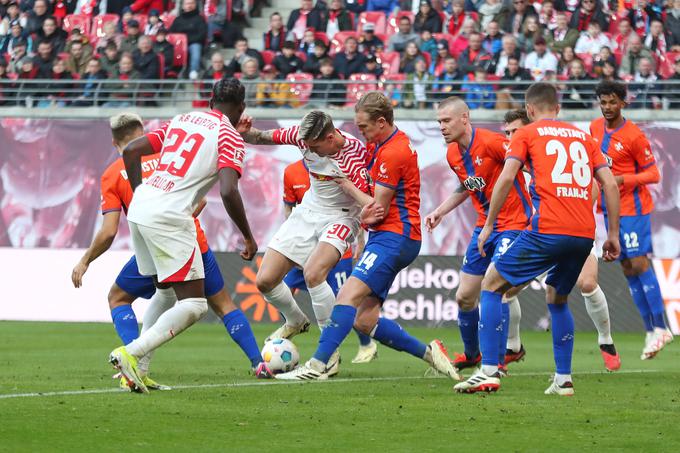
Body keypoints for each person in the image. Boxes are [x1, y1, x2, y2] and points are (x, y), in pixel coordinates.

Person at [73, 112, 270, 392]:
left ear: (114, 141)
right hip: (190, 239)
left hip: (159, 242)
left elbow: (108, 231)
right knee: (223, 304)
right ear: (143, 130)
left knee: (120, 297)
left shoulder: (112, 174)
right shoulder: (167, 155)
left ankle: (133, 358)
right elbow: (200, 200)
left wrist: (85, 260)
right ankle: (258, 362)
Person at [275, 92, 460, 381]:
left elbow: (377, 208)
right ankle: (430, 353)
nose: (359, 133)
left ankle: (318, 365)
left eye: (363, 127)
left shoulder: (392, 152)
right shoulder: (382, 145)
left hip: (394, 236)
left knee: (346, 297)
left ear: (382, 122)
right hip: (389, 237)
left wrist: (345, 185)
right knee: (364, 320)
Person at [453, 82, 621, 396]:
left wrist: (489, 224)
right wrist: (612, 235)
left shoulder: (526, 134)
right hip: (583, 235)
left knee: (491, 285)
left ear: (530, 110)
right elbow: (610, 185)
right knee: (557, 298)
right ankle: (563, 379)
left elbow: (506, 176)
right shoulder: (586, 137)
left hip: (547, 229)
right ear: (557, 107)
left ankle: (489, 370)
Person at [236, 110, 373, 378]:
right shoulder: (302, 137)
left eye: (314, 146)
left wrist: (345, 185)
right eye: (306, 145)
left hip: (342, 217)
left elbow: (369, 201)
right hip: (308, 210)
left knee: (314, 274)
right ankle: (297, 320)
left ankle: (328, 353)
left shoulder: (356, 154)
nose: (307, 149)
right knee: (265, 280)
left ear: (331, 137)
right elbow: (263, 137)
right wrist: (245, 132)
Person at [502, 108, 621, 372]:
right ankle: (513, 347)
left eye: (515, 131)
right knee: (506, 291)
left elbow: (593, 184)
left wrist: (570, 211)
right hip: (539, 233)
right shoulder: (516, 154)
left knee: (587, 283)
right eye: (507, 132)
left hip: (570, 228)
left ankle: (606, 340)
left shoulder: (549, 144)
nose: (511, 136)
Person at [425, 98, 530, 375]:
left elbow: (528, 165)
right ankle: (473, 355)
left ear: (464, 118)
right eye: (439, 122)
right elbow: (467, 185)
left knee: (496, 288)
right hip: (484, 227)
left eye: (446, 121)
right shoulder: (452, 154)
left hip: (515, 224)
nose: (442, 127)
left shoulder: (493, 142)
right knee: (464, 297)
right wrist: (440, 211)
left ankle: (495, 362)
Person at [591, 80, 673, 360]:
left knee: (638, 262)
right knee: (627, 267)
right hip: (609, 210)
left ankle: (661, 326)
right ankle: (652, 330)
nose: (607, 107)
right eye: (603, 102)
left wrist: (622, 179)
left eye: (613, 102)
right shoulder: (594, 128)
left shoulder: (635, 136)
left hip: (633, 208)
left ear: (623, 103)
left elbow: (653, 175)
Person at [281, 158, 378, 364]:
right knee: (284, 288)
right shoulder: (291, 171)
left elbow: (354, 208)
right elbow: (288, 210)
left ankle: (365, 344)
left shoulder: (338, 168)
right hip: (306, 246)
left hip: (336, 250)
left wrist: (359, 242)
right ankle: (288, 341)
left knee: (342, 303)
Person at [169, 0, 208, 80]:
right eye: (187, 3)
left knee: (196, 48)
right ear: (183, 6)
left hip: (194, 43)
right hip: (179, 45)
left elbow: (202, 34)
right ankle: (176, 71)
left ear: (195, 5)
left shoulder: (200, 19)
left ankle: (193, 71)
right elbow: (171, 34)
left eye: (192, 3)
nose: (189, 5)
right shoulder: (178, 20)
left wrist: (188, 40)